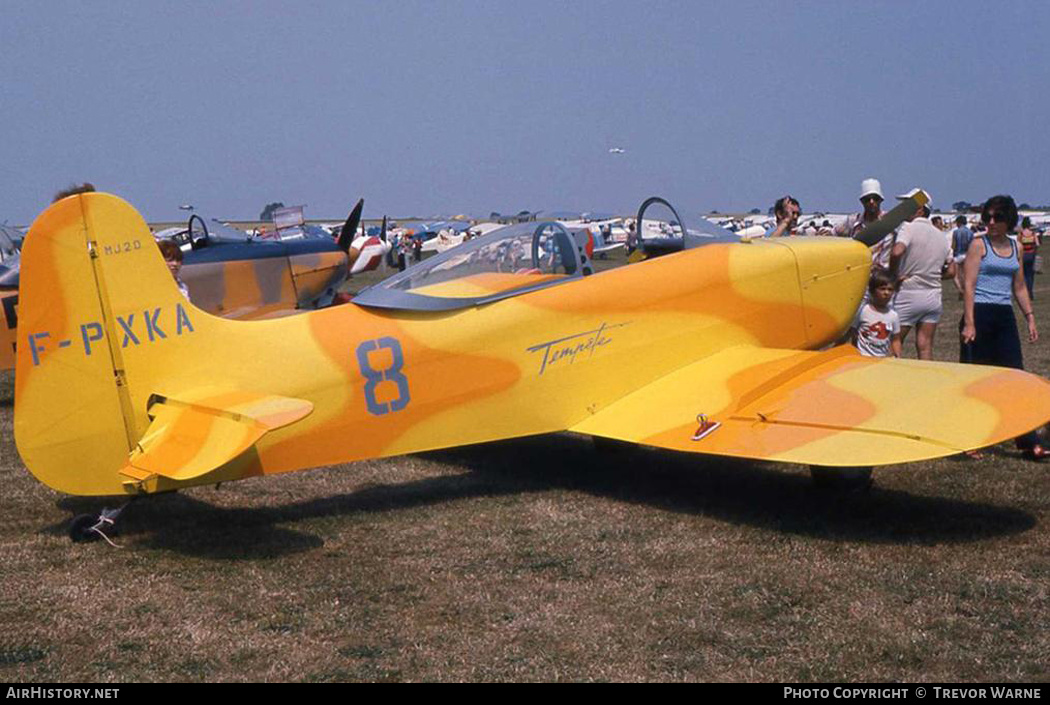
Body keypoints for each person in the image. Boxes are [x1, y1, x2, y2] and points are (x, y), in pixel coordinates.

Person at [960, 195, 1046, 460]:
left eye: (997, 217)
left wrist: (1029, 316)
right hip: (980, 314)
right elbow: (969, 286)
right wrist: (970, 322)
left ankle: (1028, 441)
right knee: (976, 381)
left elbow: (1019, 286)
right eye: (987, 217)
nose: (991, 222)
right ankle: (969, 439)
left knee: (1016, 377)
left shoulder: (1016, 247)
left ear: (1009, 220)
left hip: (1004, 315)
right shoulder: (978, 245)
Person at [888, 190, 954, 360]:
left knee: (893, 343)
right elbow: (952, 271)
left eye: (909, 205)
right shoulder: (941, 236)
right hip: (933, 296)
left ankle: (888, 381)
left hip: (909, 293)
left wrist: (893, 276)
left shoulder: (907, 228)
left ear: (920, 210)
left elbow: (896, 252)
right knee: (925, 347)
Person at [835, 178, 892, 267]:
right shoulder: (853, 221)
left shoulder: (890, 220)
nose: (871, 202)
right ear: (862, 202)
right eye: (867, 199)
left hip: (881, 276)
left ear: (881, 200)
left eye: (875, 198)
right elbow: (834, 231)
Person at [850, 268, 901, 358]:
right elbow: (854, 332)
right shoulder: (863, 311)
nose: (886, 293)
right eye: (882, 289)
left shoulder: (893, 316)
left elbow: (896, 339)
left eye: (890, 290)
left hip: (881, 359)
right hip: (863, 357)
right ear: (872, 291)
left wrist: (897, 356)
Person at [950, 215, 974, 296]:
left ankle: (961, 290)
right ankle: (966, 290)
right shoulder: (970, 232)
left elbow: (953, 246)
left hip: (958, 255)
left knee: (956, 275)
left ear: (959, 223)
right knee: (965, 274)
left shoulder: (956, 232)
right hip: (967, 255)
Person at [1018, 216, 1040, 300]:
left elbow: (1018, 245)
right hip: (1031, 255)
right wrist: (1034, 250)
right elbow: (1037, 244)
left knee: (1023, 275)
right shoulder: (1033, 233)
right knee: (1030, 275)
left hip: (1023, 255)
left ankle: (1025, 293)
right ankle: (1030, 292)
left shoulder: (1021, 234)